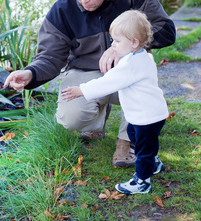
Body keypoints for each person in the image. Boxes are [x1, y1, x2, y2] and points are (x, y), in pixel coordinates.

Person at [3, 0, 175, 168]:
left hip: (128, 70)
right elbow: (50, 56)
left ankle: (127, 140)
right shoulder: (62, 10)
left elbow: (167, 30)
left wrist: (126, 46)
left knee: (141, 91)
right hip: (85, 73)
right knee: (70, 117)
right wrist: (30, 73)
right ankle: (97, 122)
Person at [61, 10, 168, 194]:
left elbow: (107, 83)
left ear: (134, 42)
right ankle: (154, 162)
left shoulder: (131, 65)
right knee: (135, 135)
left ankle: (142, 181)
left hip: (147, 117)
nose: (112, 44)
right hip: (148, 114)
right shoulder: (139, 55)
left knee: (143, 148)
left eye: (117, 41)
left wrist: (81, 90)